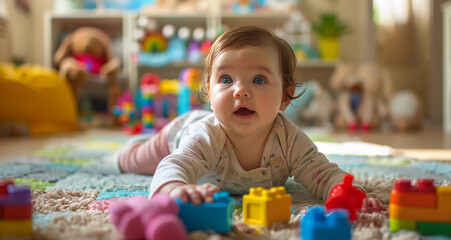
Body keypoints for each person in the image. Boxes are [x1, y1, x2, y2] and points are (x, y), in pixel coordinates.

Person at [116, 26, 385, 212]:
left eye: (258, 79)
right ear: (209, 93)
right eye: (226, 79)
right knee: (137, 161)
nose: (240, 90)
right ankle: (128, 150)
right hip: (178, 133)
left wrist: (347, 192)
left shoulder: (289, 139)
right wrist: (175, 190)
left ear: (285, 96)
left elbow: (322, 173)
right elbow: (174, 165)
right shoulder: (206, 136)